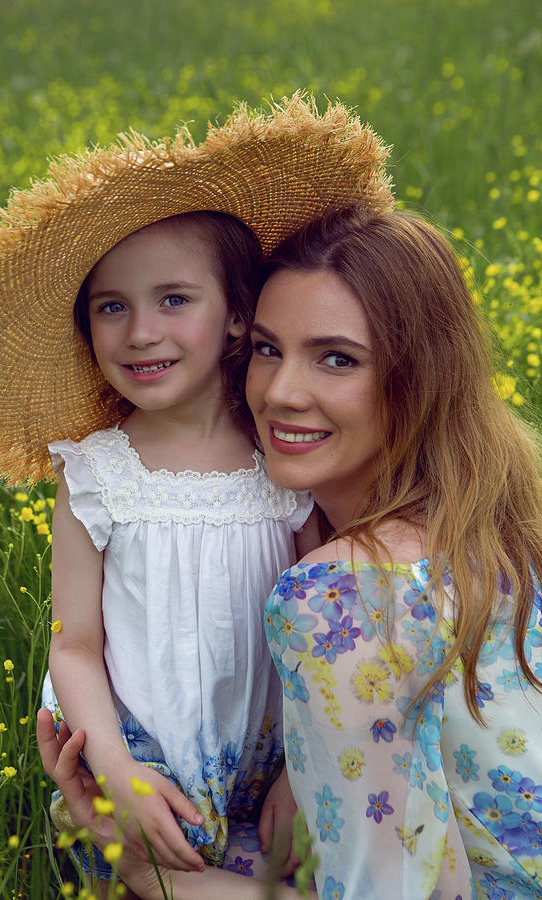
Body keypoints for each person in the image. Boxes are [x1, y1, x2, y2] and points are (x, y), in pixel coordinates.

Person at [0, 96, 394, 898]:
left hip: (270, 760)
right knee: (155, 866)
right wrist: (115, 770)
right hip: (145, 760)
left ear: (234, 319)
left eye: (173, 300)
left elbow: (308, 633)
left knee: (331, 847)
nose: (140, 333)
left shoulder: (282, 462)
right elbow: (74, 644)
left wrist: (303, 766)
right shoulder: (96, 475)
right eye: (111, 307)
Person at [244, 206, 542, 899]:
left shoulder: (338, 599)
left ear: (422, 375)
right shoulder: (503, 513)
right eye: (265, 348)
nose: (280, 392)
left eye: (337, 359)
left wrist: (158, 879)